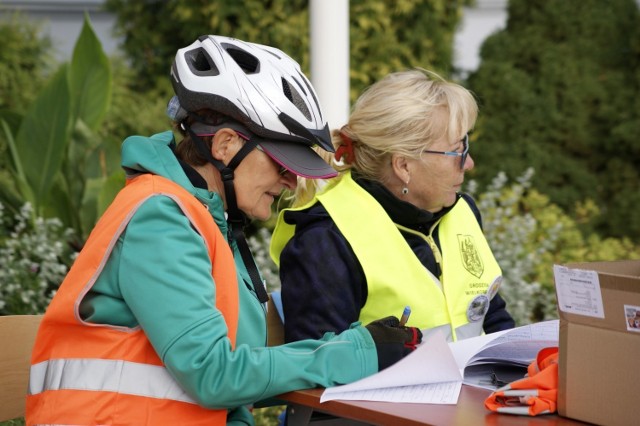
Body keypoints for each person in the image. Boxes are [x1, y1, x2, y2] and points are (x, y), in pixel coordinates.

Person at [26, 35, 422, 426]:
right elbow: (213, 376)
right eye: (282, 163)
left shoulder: (208, 220)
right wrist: (352, 354)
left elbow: (240, 374)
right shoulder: (160, 218)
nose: (289, 181)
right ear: (227, 145)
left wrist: (351, 349)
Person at [270, 68, 515, 344]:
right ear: (404, 166)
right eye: (457, 150)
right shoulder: (325, 240)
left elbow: (492, 318)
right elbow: (317, 369)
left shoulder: (461, 210)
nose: (469, 164)